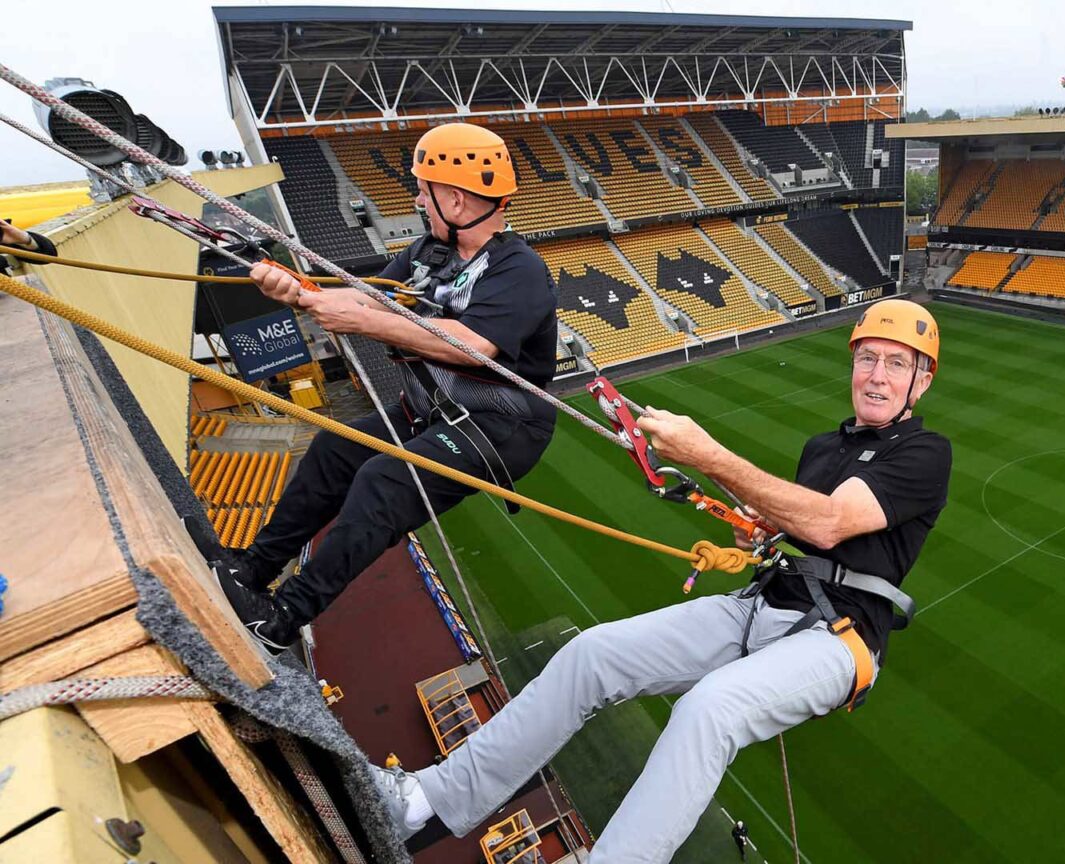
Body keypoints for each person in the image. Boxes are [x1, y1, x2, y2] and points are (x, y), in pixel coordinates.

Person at [370, 299, 951, 862]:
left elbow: (828, 524)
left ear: (920, 382)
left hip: (840, 638)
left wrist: (706, 455)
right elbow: (795, 523)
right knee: (590, 654)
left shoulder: (927, 453)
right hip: (766, 604)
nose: (877, 376)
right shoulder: (824, 448)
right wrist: (757, 533)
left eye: (896, 363)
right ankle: (427, 800)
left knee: (709, 711)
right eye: (867, 358)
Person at [214, 122, 559, 652]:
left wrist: (363, 322)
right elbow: (365, 301)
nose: (417, 197)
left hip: (500, 426)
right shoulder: (428, 253)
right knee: (336, 448)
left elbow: (469, 345)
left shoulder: (519, 269)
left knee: (384, 478)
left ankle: (284, 617)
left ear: (456, 199)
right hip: (440, 409)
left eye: (424, 189)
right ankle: (253, 569)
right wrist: (294, 290)